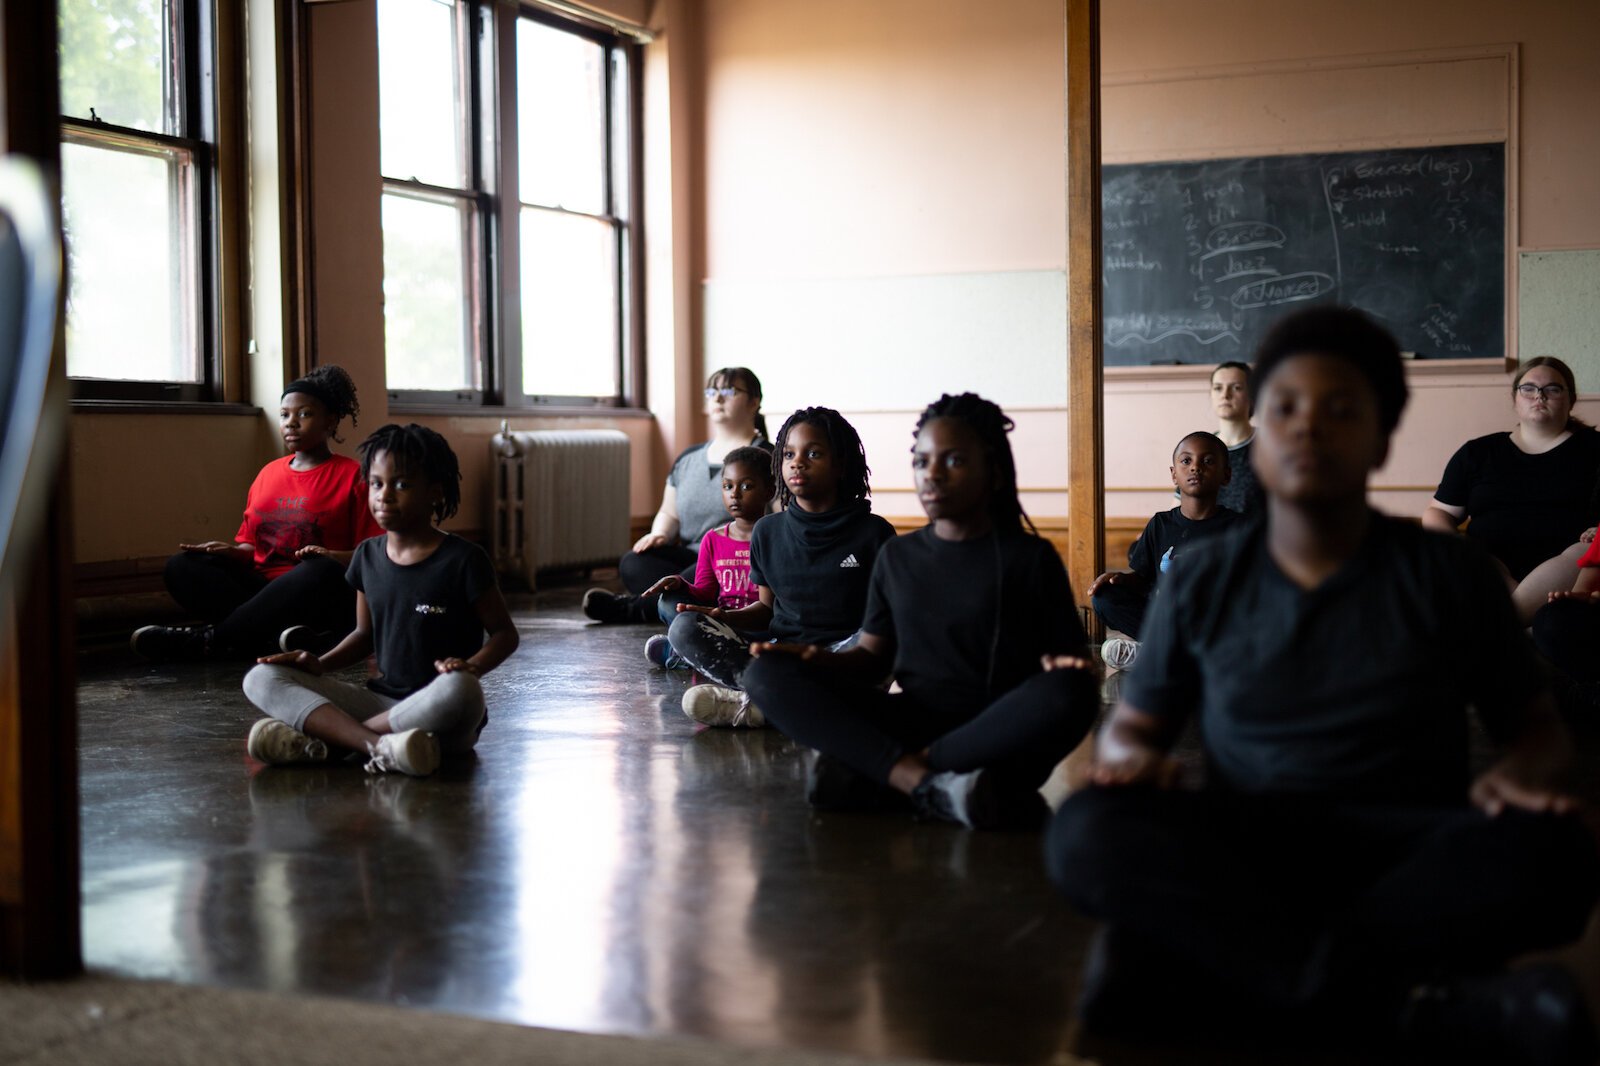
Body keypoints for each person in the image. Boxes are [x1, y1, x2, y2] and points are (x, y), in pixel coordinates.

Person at [1045, 307, 1599, 1062]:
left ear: (1381, 433)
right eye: (1286, 408)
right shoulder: (1206, 574)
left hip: (1406, 842)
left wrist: (1529, 775)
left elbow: (1535, 737)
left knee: (1558, 855)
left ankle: (1225, 978)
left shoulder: (1449, 574)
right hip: (1249, 838)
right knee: (1085, 833)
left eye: (1340, 409)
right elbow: (1135, 727)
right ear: (1260, 434)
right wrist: (1130, 758)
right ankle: (1413, 1003)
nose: (1308, 428)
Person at [741, 393, 1098, 830]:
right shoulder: (898, 557)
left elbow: (1072, 665)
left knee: (1072, 691)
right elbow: (872, 661)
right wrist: (818, 662)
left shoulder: (1030, 558)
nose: (932, 475)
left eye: (953, 462)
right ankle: (932, 787)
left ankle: (899, 775)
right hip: (914, 718)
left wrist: (1065, 668)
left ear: (993, 470)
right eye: (921, 461)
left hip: (998, 733)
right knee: (764, 674)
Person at [241, 424, 520, 777]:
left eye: (401, 484)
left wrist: (472, 668)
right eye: (376, 483)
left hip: (441, 709)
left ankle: (335, 743)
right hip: (380, 702)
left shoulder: (464, 559)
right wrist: (320, 664)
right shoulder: (366, 555)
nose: (384, 495)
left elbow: (504, 634)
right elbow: (363, 635)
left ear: (435, 493)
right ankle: (381, 747)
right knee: (261, 677)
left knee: (461, 689)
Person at [131, 366, 383, 660]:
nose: (291, 423)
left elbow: (374, 553)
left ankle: (212, 640)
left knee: (320, 570)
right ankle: (272, 636)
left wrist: (330, 556)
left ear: (330, 420)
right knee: (182, 566)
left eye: (304, 414)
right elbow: (253, 547)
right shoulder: (268, 474)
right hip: (262, 590)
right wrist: (231, 552)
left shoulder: (354, 476)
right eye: (284, 415)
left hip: (319, 591)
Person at [666, 406, 895, 727]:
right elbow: (765, 609)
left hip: (845, 655)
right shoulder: (767, 530)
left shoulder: (874, 533)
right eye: (788, 454)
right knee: (685, 627)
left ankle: (765, 704)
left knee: (891, 638)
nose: (797, 462)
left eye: (813, 453)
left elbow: (881, 625)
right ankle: (797, 700)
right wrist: (723, 617)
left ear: (841, 464)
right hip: (782, 654)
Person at [583, 367, 770, 624]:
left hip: (738, 558)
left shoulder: (766, 458)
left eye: (729, 391)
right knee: (633, 563)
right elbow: (669, 512)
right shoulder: (687, 458)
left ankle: (633, 608)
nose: (717, 398)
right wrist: (659, 533)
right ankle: (677, 601)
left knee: (705, 571)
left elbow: (782, 515)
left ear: (754, 402)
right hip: (694, 554)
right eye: (712, 391)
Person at [1424, 356, 1600, 620]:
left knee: (1584, 550)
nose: (1539, 396)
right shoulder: (1477, 452)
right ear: (1514, 399)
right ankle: (1523, 626)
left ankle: (1505, 626)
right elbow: (1438, 513)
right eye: (1528, 389)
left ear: (1571, 399)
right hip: (1489, 565)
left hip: (1567, 564)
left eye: (1552, 389)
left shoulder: (1595, 448)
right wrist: (1453, 547)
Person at [1090, 431, 1239, 670]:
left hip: (1213, 623)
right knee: (1104, 597)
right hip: (1168, 619)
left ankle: (1158, 655)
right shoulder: (1160, 524)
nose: (1196, 468)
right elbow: (1144, 580)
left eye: (1208, 461)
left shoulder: (1238, 528)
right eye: (1186, 461)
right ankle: (1176, 655)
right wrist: (1121, 580)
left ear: (1226, 475)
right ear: (1173, 474)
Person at [641, 445, 775, 670]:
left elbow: (773, 606)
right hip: (721, 624)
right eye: (727, 486)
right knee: (668, 603)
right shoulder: (713, 539)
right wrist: (679, 584)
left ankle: (686, 654)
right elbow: (704, 592)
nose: (735, 494)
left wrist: (727, 617)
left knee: (692, 629)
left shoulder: (775, 535)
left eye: (746, 486)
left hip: (762, 627)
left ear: (769, 491)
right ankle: (699, 650)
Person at [1210, 360, 1265, 515]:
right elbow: (1180, 507)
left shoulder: (1270, 446)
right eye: (1218, 388)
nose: (1225, 395)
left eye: (1236, 388)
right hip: (1207, 538)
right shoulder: (1199, 448)